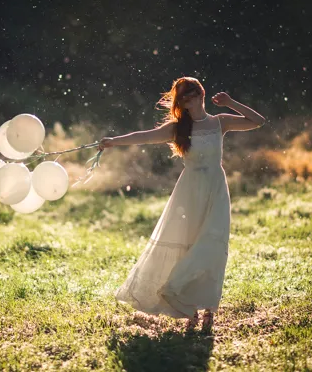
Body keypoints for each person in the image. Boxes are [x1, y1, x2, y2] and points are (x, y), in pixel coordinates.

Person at [99, 76, 266, 332]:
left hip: (216, 189)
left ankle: (210, 309)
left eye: (193, 93)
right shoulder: (178, 128)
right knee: (188, 246)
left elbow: (258, 121)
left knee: (213, 245)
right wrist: (113, 141)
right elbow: (144, 137)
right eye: (184, 97)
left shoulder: (220, 122)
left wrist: (231, 102)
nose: (190, 99)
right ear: (182, 102)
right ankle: (188, 308)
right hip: (189, 192)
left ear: (201, 93)